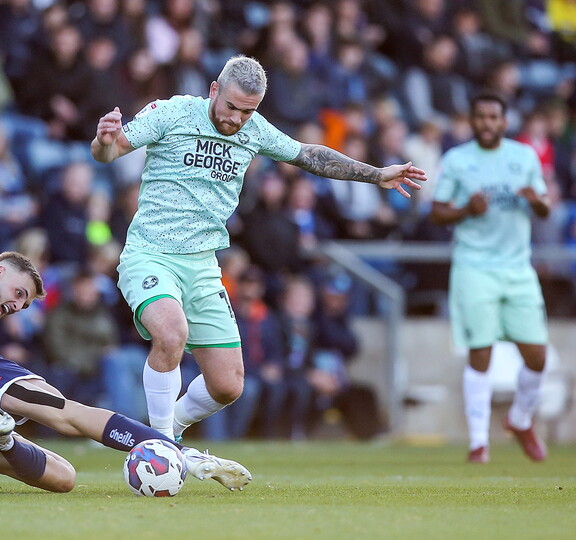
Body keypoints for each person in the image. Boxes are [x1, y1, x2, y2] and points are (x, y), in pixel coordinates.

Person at [91, 54, 426, 441]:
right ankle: (159, 445)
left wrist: (377, 174)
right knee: (171, 333)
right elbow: (110, 151)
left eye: (246, 112)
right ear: (214, 90)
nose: (235, 119)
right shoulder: (173, 112)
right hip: (151, 254)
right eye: (231, 106)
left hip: (202, 265)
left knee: (228, 385)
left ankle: (168, 429)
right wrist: (103, 140)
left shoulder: (256, 130)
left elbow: (310, 155)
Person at [0, 247, 251, 493]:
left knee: (63, 478)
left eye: (24, 303)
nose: (17, 306)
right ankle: (183, 454)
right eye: (18, 293)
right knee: (65, 412)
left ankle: (5, 440)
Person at [429, 93, 550, 464]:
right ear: (471, 120)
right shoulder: (457, 160)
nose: (486, 123)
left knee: (537, 356)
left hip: (517, 267)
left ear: (504, 121)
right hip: (474, 266)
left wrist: (536, 201)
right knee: (481, 352)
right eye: (480, 117)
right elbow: (436, 213)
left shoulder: (524, 157)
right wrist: (466, 210)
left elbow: (545, 209)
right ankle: (479, 444)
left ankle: (520, 419)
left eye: (493, 117)